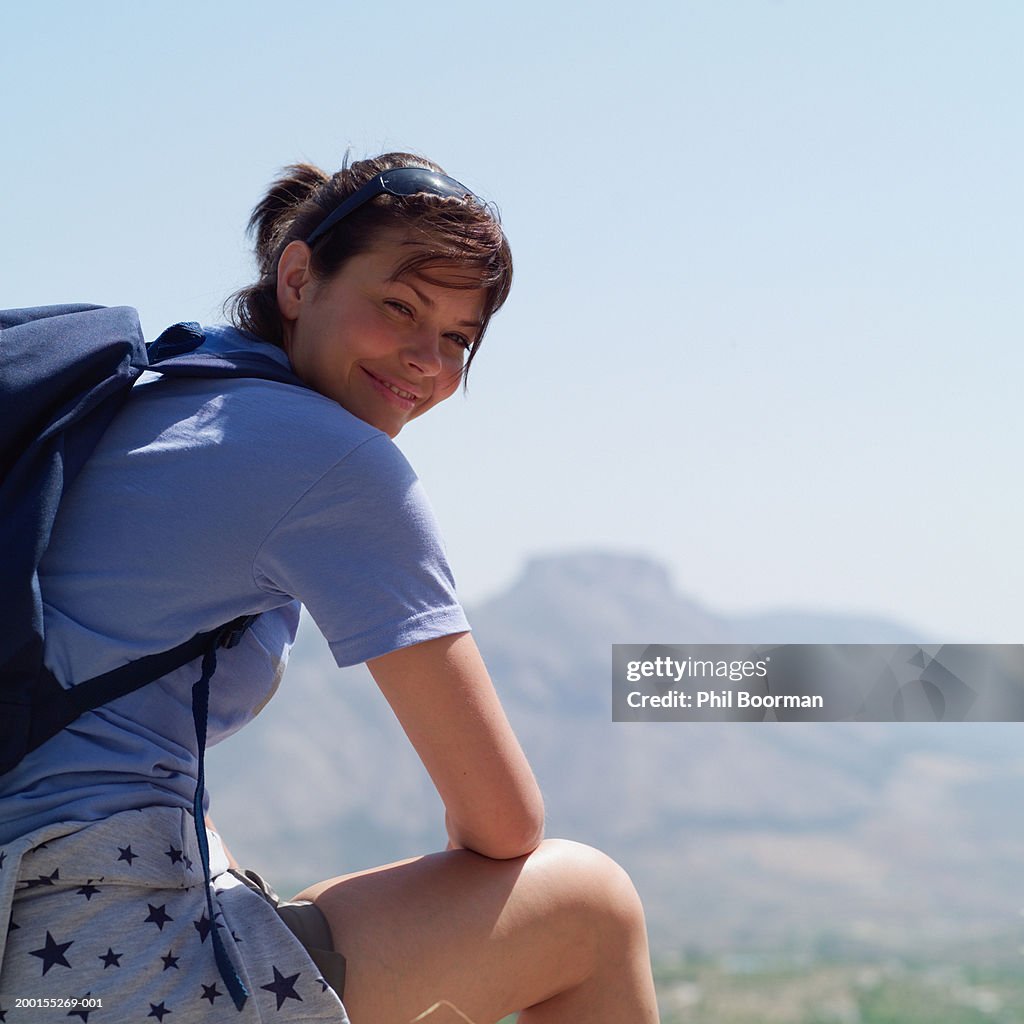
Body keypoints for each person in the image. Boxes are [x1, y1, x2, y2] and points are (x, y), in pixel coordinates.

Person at [0, 152, 660, 1023]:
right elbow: (502, 826)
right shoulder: (337, 461)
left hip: (37, 919)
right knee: (586, 907)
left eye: (459, 337)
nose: (428, 360)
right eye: (400, 307)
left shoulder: (153, 396)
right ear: (299, 277)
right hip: (81, 960)